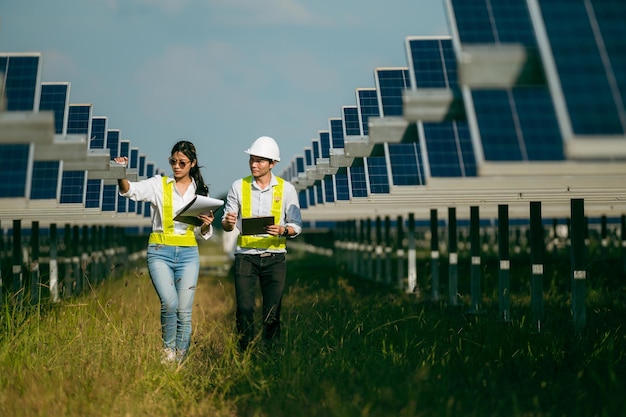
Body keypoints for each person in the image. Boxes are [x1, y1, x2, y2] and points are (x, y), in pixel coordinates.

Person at [114, 140, 215, 363]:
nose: (176, 166)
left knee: (184, 311)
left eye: (182, 162)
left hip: (189, 254)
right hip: (160, 252)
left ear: (192, 164)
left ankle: (180, 359)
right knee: (169, 303)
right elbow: (130, 190)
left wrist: (207, 223)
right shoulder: (158, 184)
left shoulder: (200, 191)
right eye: (173, 161)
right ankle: (167, 352)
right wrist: (120, 173)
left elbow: (204, 231)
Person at [221, 136, 303, 351]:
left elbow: (296, 225)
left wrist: (284, 230)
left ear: (272, 164)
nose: (254, 164)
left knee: (272, 313)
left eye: (259, 161)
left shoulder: (287, 190)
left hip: (275, 259)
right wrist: (228, 223)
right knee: (245, 310)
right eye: (252, 160)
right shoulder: (238, 186)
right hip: (245, 257)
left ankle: (271, 354)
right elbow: (227, 224)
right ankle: (245, 353)